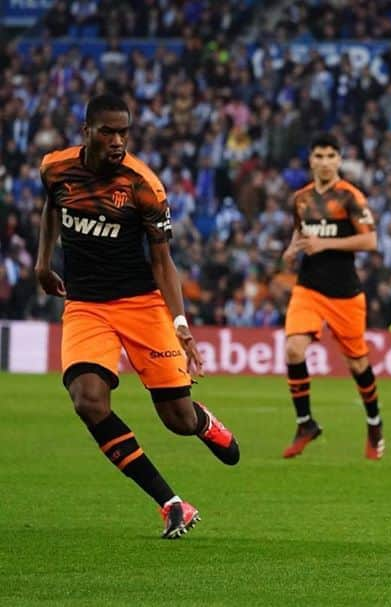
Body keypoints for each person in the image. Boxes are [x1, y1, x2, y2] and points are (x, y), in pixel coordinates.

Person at [34, 94, 239, 539]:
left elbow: (163, 261)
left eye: (124, 131)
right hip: (87, 305)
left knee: (177, 420)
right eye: (108, 131)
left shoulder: (143, 184)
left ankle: (203, 422)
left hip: (141, 304)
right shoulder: (55, 168)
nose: (117, 140)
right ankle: (171, 503)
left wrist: (181, 325)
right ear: (86, 130)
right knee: (88, 400)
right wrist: (42, 263)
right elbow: (53, 207)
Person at [280, 133, 384, 460]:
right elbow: (301, 229)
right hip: (308, 287)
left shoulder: (351, 197)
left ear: (339, 160)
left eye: (330, 156)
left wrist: (325, 245)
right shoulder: (300, 198)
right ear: (310, 160)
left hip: (344, 293)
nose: (324, 162)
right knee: (294, 350)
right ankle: (305, 423)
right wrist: (292, 248)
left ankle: (374, 423)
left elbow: (370, 243)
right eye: (319, 156)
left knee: (357, 363)